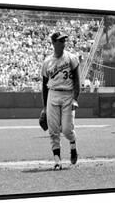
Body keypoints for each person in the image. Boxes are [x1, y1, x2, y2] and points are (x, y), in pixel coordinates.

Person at [41, 32, 80, 170]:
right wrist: (44, 107)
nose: (63, 43)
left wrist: (75, 98)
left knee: (67, 130)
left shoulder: (71, 58)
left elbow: (77, 81)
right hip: (52, 94)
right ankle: (57, 160)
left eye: (64, 40)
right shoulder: (47, 62)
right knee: (53, 130)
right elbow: (44, 86)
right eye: (60, 41)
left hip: (68, 95)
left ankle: (73, 145)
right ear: (53, 43)